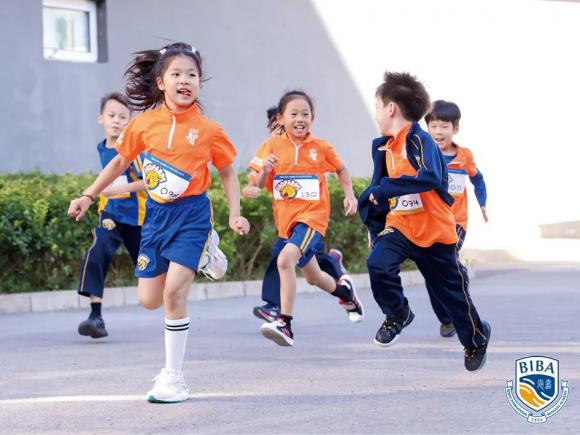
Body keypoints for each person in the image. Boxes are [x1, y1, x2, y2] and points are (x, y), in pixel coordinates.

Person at [68, 42, 250, 403]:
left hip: (192, 216)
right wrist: (89, 195)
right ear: (161, 82)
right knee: (150, 300)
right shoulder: (144, 124)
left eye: (192, 75)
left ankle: (174, 377)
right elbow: (119, 164)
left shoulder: (209, 130)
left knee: (173, 293)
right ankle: (205, 254)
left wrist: (234, 213)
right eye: (177, 74)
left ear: (200, 82)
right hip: (155, 217)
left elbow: (227, 172)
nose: (186, 80)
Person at [358, 71, 490, 371]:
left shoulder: (420, 140)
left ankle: (476, 338)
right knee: (378, 264)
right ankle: (398, 314)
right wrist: (373, 226)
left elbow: (430, 176)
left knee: (452, 296)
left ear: (390, 108)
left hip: (435, 231)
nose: (376, 113)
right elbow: (379, 190)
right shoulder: (383, 146)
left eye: (377, 106)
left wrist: (385, 189)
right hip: (401, 226)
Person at [255, 90, 363, 347]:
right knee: (314, 278)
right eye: (293, 114)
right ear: (281, 118)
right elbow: (258, 184)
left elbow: (341, 169)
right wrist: (265, 171)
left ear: (312, 118)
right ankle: (346, 293)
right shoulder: (272, 146)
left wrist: (350, 195)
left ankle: (284, 323)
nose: (300, 118)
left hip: (313, 219)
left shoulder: (320, 147)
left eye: (305, 114)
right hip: (287, 225)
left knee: (284, 260)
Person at [77, 92, 147, 339]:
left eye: (123, 118)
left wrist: (119, 189)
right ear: (101, 119)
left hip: (137, 220)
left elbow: (149, 183)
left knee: (153, 271)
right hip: (110, 215)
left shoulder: (135, 151)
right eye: (112, 116)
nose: (117, 121)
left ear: (130, 122)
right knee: (96, 250)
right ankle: (95, 316)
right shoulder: (102, 147)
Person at [424, 100, 488, 338]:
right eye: (433, 126)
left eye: (444, 126)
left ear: (455, 128)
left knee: (446, 260)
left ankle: (459, 282)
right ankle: (445, 318)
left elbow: (478, 179)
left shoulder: (464, 156)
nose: (438, 132)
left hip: (455, 223)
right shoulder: (421, 154)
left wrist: (482, 204)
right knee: (431, 269)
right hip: (428, 223)